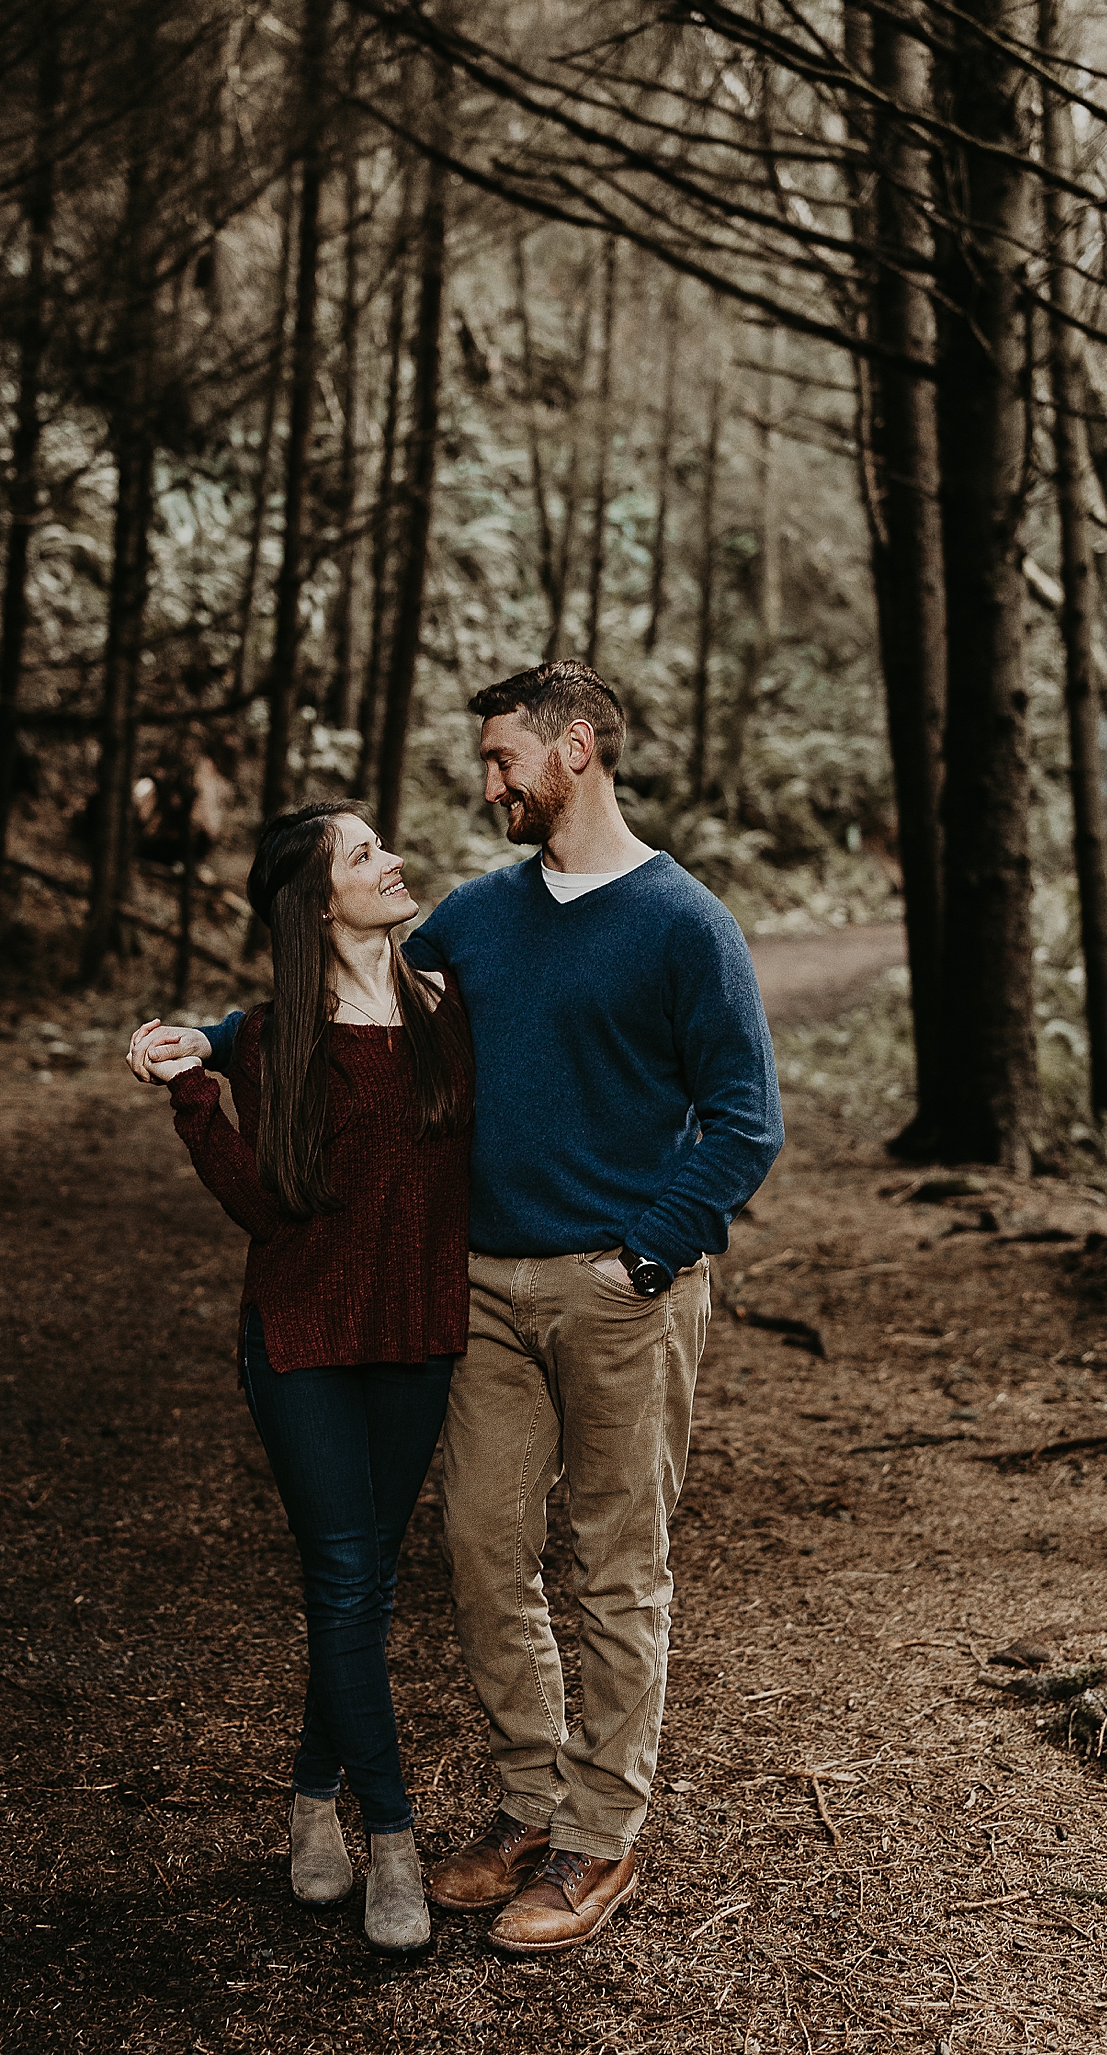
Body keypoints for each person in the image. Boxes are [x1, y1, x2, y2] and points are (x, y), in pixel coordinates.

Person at [400, 660, 784, 1955]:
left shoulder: (686, 924)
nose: (488, 780)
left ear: (577, 749)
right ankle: (524, 1803)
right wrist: (221, 1041)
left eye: (505, 757)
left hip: (626, 1293)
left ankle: (597, 1836)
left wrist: (648, 1255)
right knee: (481, 1550)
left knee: (618, 1569)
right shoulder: (473, 917)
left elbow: (746, 1121)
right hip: (488, 1290)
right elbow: (359, 1011)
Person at [127, 802, 473, 1955]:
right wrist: (193, 1085)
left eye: (383, 843)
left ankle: (308, 1796)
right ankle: (391, 1840)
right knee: (342, 1585)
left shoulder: (449, 1007)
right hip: (301, 1338)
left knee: (367, 1589)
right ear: (316, 902)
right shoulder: (277, 1038)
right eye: (363, 853)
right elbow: (261, 1205)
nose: (392, 860)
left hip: (417, 1333)